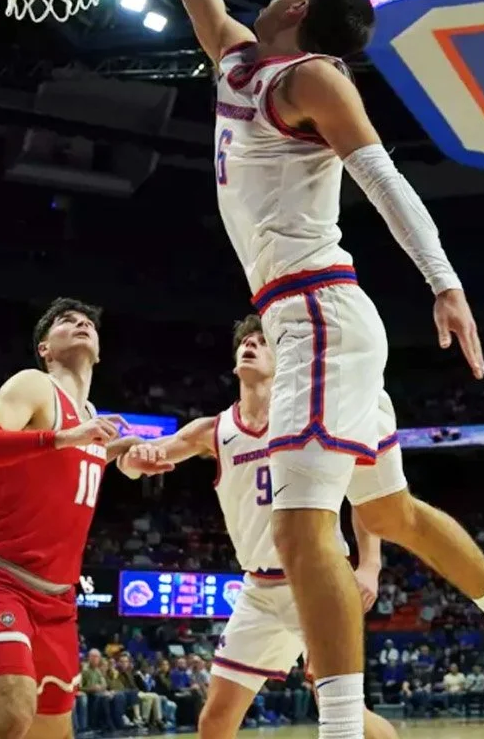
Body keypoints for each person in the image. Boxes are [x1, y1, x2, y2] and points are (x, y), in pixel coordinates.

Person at [153, 0, 484, 739]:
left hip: (315, 316)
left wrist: (445, 281)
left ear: (300, 2)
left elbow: (384, 180)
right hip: (321, 319)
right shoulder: (239, 61)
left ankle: (341, 731)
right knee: (386, 508)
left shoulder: (312, 77)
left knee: (308, 531)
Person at [120, 315, 394, 739]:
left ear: (283, 359)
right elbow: (143, 459)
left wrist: (370, 566)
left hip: (318, 581)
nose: (250, 346)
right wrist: (135, 462)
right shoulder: (212, 430)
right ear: (234, 364)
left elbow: (364, 488)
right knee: (214, 721)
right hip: (259, 591)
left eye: (262, 342)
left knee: (341, 711)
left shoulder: (310, 418)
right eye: (244, 342)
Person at [0, 299, 144, 739]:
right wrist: (62, 437)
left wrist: (120, 453)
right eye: (66, 322)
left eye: (87, 323)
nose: (80, 324)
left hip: (57, 600)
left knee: (53, 733)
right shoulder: (34, 385)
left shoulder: (93, 418)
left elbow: (69, 470)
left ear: (99, 349)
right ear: (44, 348)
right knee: (12, 716)